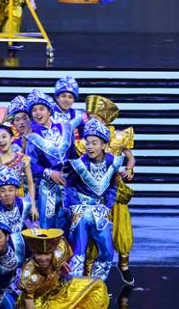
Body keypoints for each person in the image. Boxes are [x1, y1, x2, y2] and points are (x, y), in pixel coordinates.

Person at [17, 228, 123, 309]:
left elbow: (61, 241)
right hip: (38, 303)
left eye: (46, 254)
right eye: (38, 254)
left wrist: (60, 263)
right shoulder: (29, 275)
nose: (43, 258)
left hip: (60, 287)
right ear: (33, 253)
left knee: (97, 285)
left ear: (52, 251)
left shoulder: (59, 250)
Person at [78, 95, 136, 285]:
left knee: (121, 228)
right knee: (94, 230)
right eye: (89, 117)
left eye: (95, 118)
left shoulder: (118, 137)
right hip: (94, 192)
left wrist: (129, 170)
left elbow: (130, 158)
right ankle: (88, 272)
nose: (91, 121)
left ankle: (124, 265)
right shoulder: (85, 141)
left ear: (104, 120)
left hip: (116, 190)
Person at [65, 118, 122, 281]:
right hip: (81, 211)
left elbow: (112, 187)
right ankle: (75, 286)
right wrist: (75, 207)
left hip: (99, 211)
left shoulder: (112, 162)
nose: (89, 146)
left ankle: (97, 283)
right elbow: (70, 186)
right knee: (79, 249)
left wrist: (107, 206)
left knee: (107, 250)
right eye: (87, 142)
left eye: (94, 143)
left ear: (103, 145)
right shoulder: (79, 164)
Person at [24, 90, 75, 229]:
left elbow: (73, 154)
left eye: (41, 108)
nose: (38, 113)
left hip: (68, 183)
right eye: (34, 110)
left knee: (70, 223)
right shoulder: (32, 137)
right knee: (48, 225)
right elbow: (32, 165)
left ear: (49, 111)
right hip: (47, 187)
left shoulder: (65, 128)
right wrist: (50, 173)